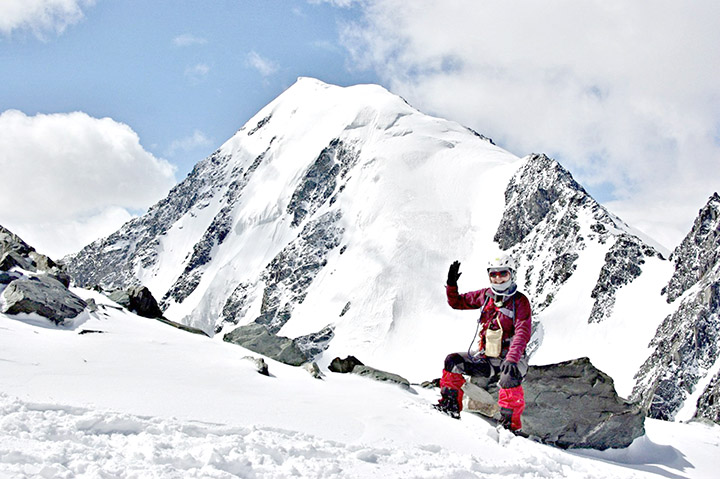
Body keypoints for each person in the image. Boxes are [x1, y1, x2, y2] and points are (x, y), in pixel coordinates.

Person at [434, 254, 532, 432]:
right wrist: (451, 284)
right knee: (453, 361)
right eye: (493, 274)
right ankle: (450, 407)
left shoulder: (520, 301)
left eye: (503, 273)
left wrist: (511, 359)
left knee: (509, 377)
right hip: (488, 357)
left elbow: (522, 333)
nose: (498, 278)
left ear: (512, 274)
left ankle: (510, 427)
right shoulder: (485, 295)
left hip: (512, 358)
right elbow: (457, 302)